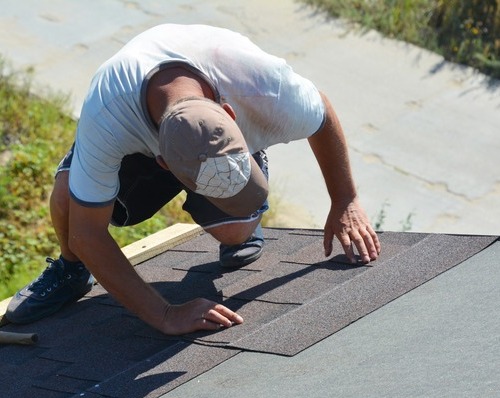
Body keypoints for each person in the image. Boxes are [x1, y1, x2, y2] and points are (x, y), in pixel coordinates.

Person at [6, 24, 381, 335]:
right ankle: (71, 273)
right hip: (134, 133)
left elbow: (322, 113)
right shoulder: (108, 114)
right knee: (67, 201)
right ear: (163, 165)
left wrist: (345, 199)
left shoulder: (263, 86)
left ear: (231, 114)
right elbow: (87, 234)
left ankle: (245, 178)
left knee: (236, 231)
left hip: (201, 123)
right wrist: (165, 315)